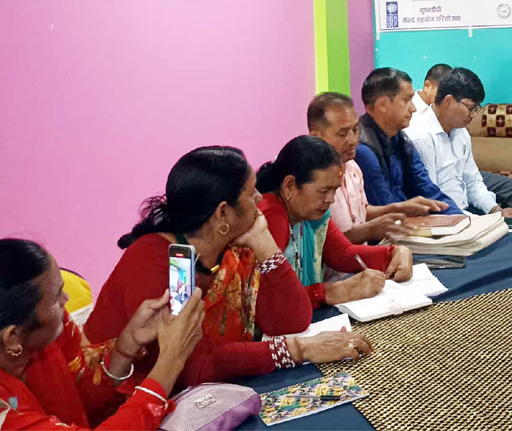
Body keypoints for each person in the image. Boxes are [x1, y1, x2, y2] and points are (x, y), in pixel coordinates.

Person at [85, 146, 371, 386]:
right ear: (223, 212)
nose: (261, 199)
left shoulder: (234, 249)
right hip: (123, 399)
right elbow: (191, 364)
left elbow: (292, 321)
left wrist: (265, 244)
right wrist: (299, 350)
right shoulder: (170, 261)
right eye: (251, 193)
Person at [0, 238, 203, 430]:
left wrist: (127, 345)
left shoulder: (41, 335)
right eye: (57, 298)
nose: (66, 302)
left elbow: (83, 394)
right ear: (12, 338)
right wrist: (170, 362)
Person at [259, 135, 414, 308]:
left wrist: (393, 254)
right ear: (290, 185)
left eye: (335, 190)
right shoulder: (269, 219)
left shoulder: (310, 212)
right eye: (324, 191)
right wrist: (331, 291)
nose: (331, 199)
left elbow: (342, 253)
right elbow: (271, 301)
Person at [307, 92, 446, 244]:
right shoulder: (309, 181)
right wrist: (369, 231)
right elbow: (322, 247)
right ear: (316, 136)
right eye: (342, 134)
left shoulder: (353, 167)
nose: (353, 140)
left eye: (355, 130)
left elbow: (360, 212)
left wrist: (398, 208)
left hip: (364, 261)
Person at [405, 67, 512, 214]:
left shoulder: (461, 133)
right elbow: (432, 201)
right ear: (448, 101)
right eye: (470, 108)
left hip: (464, 211)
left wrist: (495, 211)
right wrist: (481, 221)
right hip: (443, 218)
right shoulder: (422, 138)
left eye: (476, 109)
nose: (473, 115)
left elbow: (473, 182)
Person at [353, 68, 462, 215]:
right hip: (391, 232)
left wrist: (460, 219)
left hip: (410, 224)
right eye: (406, 100)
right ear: (382, 104)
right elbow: (388, 210)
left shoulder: (401, 138)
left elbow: (428, 189)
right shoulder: (363, 150)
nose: (414, 108)